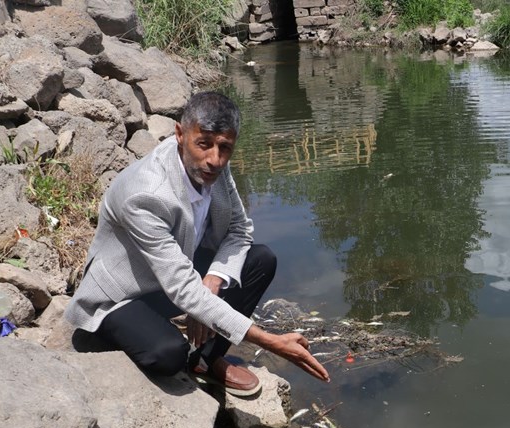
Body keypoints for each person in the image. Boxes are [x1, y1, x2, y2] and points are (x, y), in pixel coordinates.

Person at [64, 91, 330, 396]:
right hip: (122, 296)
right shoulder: (146, 195)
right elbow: (181, 287)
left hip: (176, 273)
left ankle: (206, 360)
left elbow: (240, 232)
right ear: (180, 134)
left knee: (261, 260)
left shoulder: (215, 165)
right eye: (203, 144)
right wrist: (269, 340)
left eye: (225, 148)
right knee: (168, 354)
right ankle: (113, 336)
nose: (214, 159)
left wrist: (213, 281)